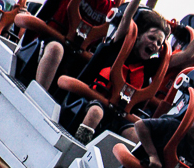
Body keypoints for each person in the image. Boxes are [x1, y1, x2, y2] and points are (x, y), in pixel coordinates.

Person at [72, 0, 170, 143]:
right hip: (92, 101)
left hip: (119, 114)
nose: (154, 44)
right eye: (151, 38)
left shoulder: (148, 67)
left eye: (158, 43)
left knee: (137, 136)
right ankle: (78, 144)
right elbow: (126, 18)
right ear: (138, 36)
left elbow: (184, 58)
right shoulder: (118, 47)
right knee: (95, 112)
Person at [34, 0, 115, 90]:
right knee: (55, 49)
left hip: (78, 57)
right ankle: (37, 94)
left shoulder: (111, 9)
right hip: (51, 39)